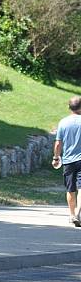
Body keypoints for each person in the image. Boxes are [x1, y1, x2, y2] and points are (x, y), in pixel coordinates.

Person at [53, 95, 81, 227]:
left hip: (69, 160)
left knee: (71, 188)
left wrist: (56, 158)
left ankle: (72, 214)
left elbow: (58, 144)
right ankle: (78, 214)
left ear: (69, 107)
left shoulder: (63, 122)